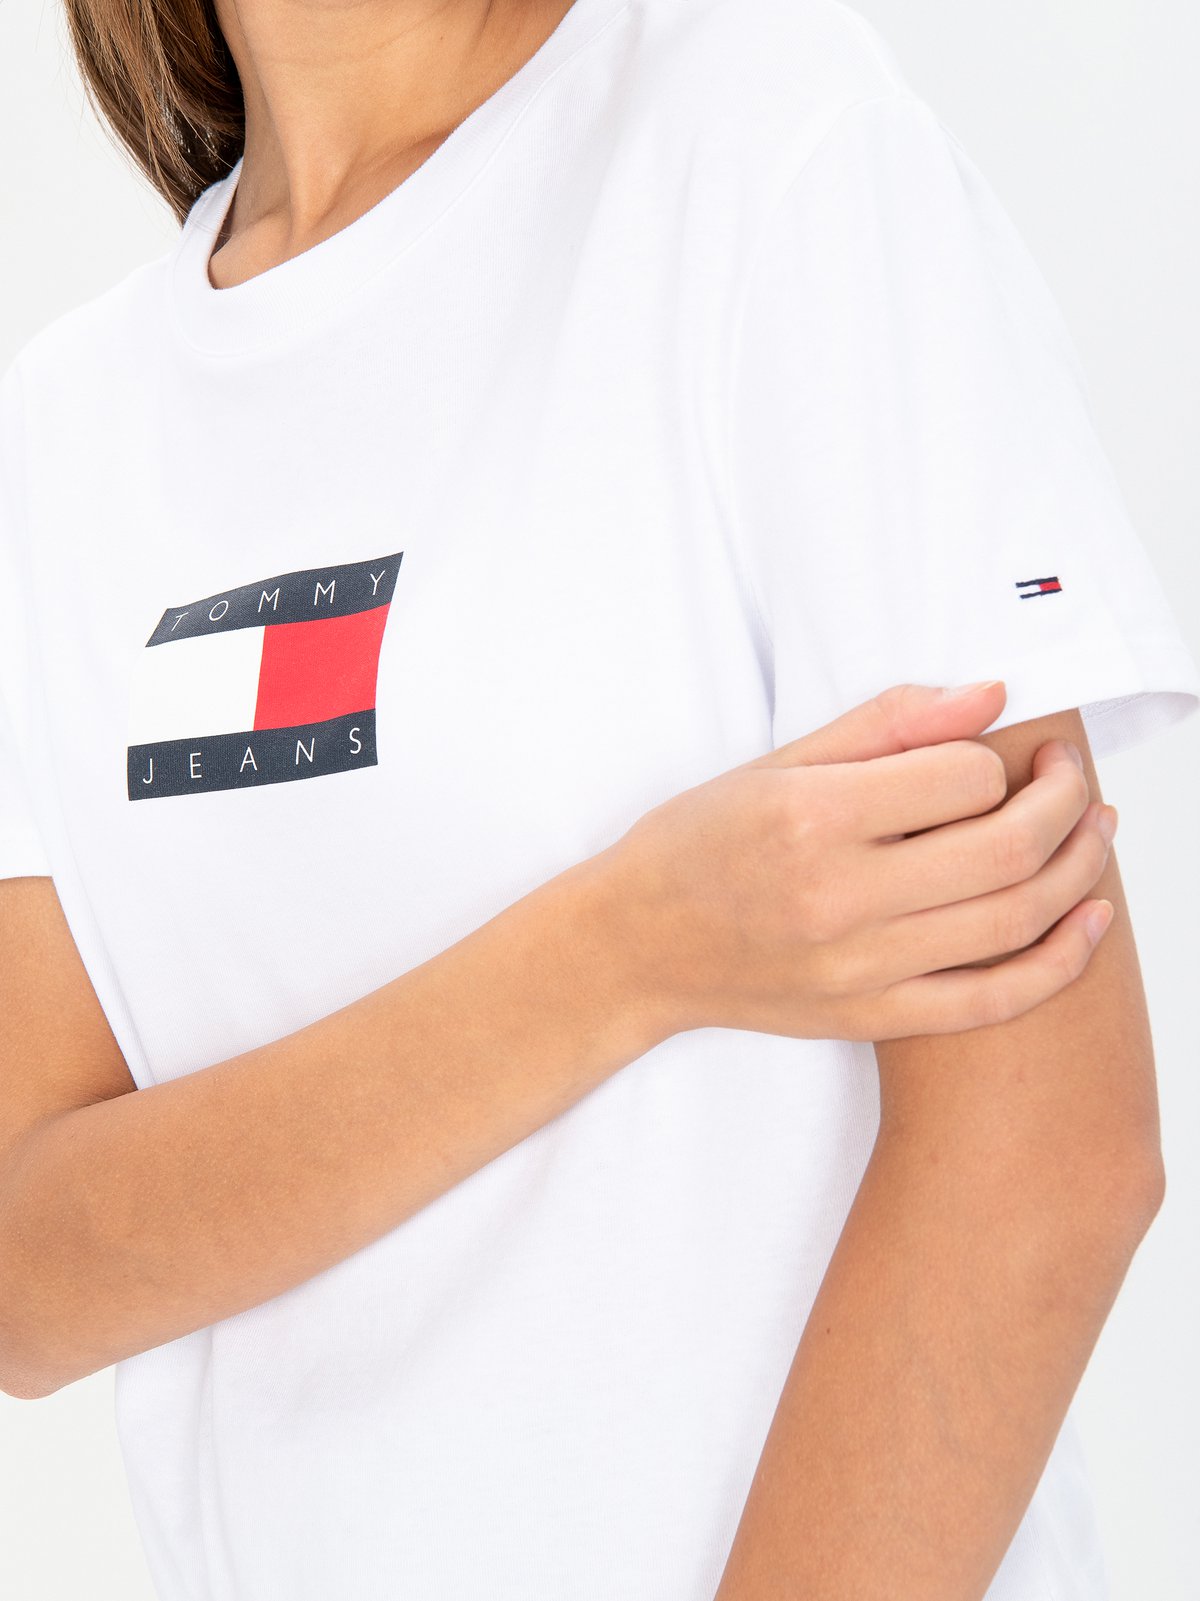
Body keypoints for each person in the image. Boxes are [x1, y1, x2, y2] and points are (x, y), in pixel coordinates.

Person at [0, 0, 1196, 1597]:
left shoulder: (767, 145)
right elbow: (25, 1269)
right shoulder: (69, 431)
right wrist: (625, 950)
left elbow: (1047, 1155)